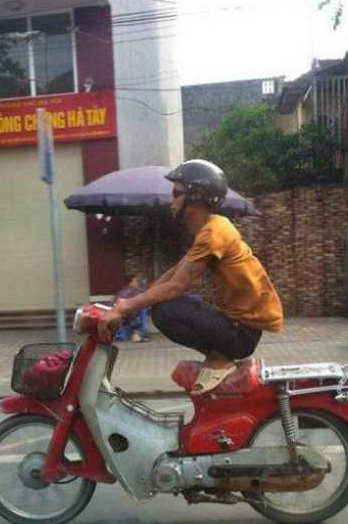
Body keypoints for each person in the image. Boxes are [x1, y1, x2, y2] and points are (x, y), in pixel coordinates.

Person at [98, 159, 283, 395]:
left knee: (165, 310)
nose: (172, 201)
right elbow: (175, 272)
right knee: (162, 302)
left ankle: (220, 359)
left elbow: (177, 286)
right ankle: (218, 357)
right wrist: (131, 305)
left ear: (195, 198)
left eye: (176, 194)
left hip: (240, 334)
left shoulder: (214, 233)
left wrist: (125, 307)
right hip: (237, 327)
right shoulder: (212, 228)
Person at [113, 274, 149, 342]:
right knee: (142, 311)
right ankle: (138, 333)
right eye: (135, 281)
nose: (137, 283)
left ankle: (136, 333)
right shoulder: (129, 292)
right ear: (130, 283)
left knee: (141, 310)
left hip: (122, 315)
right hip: (126, 316)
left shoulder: (122, 292)